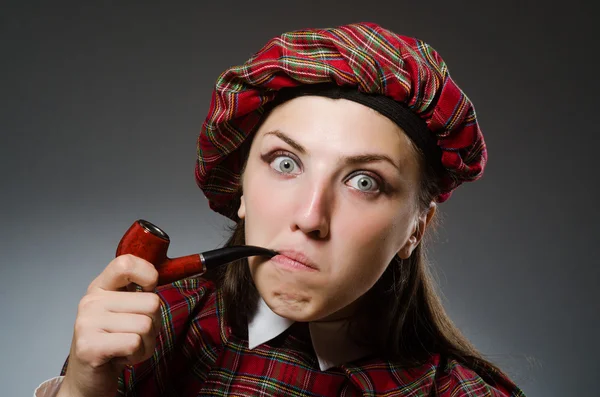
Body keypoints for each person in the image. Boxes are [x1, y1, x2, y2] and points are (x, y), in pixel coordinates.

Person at [36, 22, 526, 396]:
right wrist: (82, 389)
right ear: (241, 188)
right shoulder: (152, 332)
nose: (310, 217)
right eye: (286, 162)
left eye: (364, 181)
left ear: (416, 229)